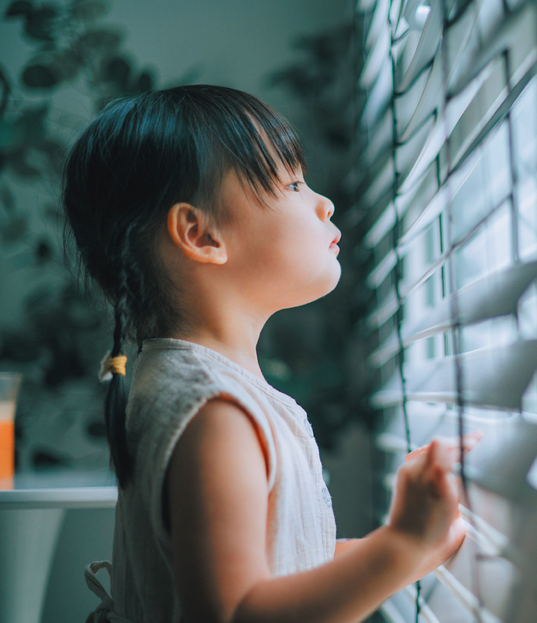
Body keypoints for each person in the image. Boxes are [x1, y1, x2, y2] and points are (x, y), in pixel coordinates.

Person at [65, 84, 479, 623]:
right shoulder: (213, 413)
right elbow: (239, 613)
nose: (324, 202)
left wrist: (421, 547)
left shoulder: (193, 389)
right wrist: (400, 546)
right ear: (201, 233)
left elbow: (286, 570)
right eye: (293, 182)